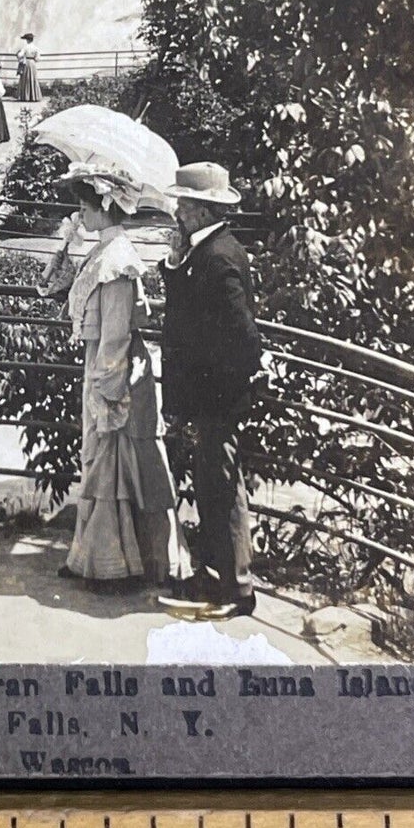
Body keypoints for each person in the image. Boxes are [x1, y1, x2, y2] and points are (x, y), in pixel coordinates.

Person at [41, 169, 175, 586]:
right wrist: (61, 257)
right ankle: (89, 557)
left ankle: (114, 564)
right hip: (96, 363)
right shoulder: (101, 252)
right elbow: (73, 303)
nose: (78, 214)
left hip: (112, 370)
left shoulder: (118, 260)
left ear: (104, 206)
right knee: (97, 460)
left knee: (111, 463)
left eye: (84, 207)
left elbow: (116, 331)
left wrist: (107, 388)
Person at [156, 162, 262, 618]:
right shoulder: (207, 251)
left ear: (200, 209)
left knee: (219, 487)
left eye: (182, 203)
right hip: (211, 397)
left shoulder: (219, 259)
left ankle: (235, 592)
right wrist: (174, 264)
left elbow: (242, 339)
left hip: (218, 398)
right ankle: (226, 578)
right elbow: (188, 311)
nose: (176, 210)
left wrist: (216, 389)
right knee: (218, 485)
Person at [16, 32, 42, 102]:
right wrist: (34, 59)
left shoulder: (25, 47)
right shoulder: (36, 48)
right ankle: (34, 96)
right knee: (33, 78)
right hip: (32, 63)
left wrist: (19, 54)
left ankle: (26, 96)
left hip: (26, 62)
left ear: (27, 40)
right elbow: (38, 58)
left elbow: (19, 55)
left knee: (25, 79)